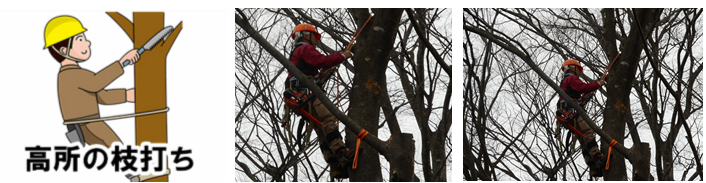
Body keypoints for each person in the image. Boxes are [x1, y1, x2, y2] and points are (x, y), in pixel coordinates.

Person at [44, 15, 140, 147]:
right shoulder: (71, 75)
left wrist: (127, 95)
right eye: (80, 39)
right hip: (88, 124)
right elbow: (96, 83)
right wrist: (122, 63)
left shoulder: (74, 74)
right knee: (118, 150)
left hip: (87, 124)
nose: (88, 43)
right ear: (64, 50)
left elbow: (101, 96)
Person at [285, 23, 354, 178]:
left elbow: (315, 69)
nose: (316, 41)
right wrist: (342, 56)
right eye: (314, 37)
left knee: (322, 128)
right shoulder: (305, 48)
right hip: (307, 95)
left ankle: (335, 163)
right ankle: (342, 153)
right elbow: (320, 61)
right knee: (328, 119)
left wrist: (327, 70)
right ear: (305, 35)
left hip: (298, 98)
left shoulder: (296, 54)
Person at [557, 59, 607, 177]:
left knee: (583, 138)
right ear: (572, 68)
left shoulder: (566, 82)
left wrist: (589, 92)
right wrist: (598, 84)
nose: (579, 72)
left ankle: (592, 165)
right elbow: (582, 87)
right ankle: (597, 157)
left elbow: (579, 94)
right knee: (588, 132)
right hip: (572, 113)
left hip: (566, 115)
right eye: (578, 69)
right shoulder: (571, 78)